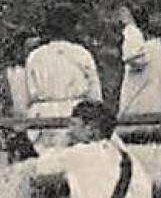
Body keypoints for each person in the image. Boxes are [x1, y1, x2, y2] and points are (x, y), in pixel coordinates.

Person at [23, 8, 103, 149]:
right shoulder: (82, 54)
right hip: (75, 117)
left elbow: (30, 93)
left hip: (44, 118)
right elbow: (94, 94)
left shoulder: (35, 56)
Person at [116, 6, 161, 124]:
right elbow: (133, 57)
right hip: (137, 115)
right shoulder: (141, 44)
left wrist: (130, 26)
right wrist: (131, 27)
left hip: (157, 114)